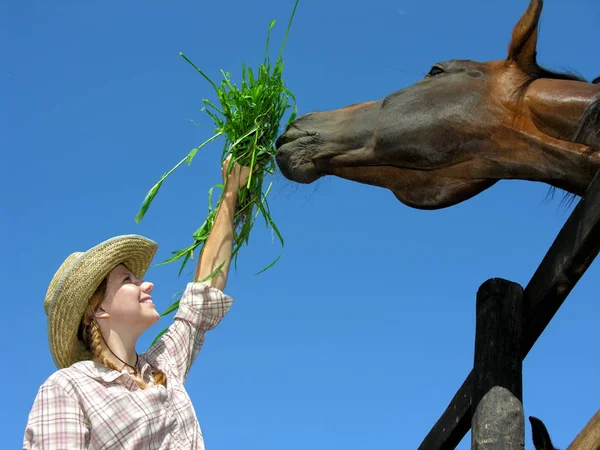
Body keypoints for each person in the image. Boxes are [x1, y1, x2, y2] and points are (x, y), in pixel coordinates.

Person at [23, 155, 250, 449]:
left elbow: (204, 290)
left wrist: (231, 192)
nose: (148, 284)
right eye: (127, 280)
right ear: (98, 309)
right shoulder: (69, 388)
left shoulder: (163, 366)